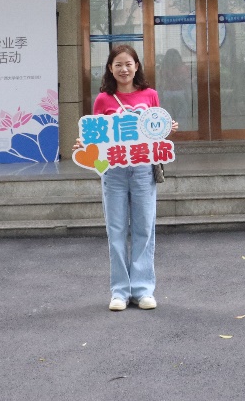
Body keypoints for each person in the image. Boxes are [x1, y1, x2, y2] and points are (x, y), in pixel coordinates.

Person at [77, 44, 175, 312]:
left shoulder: (150, 95)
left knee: (144, 229)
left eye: (128, 64)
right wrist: (84, 144)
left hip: (143, 170)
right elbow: (96, 138)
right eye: (118, 64)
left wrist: (167, 129)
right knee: (116, 230)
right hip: (114, 172)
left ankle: (143, 290)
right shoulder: (103, 100)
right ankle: (120, 291)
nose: (124, 69)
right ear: (110, 68)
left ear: (136, 66)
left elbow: (156, 131)